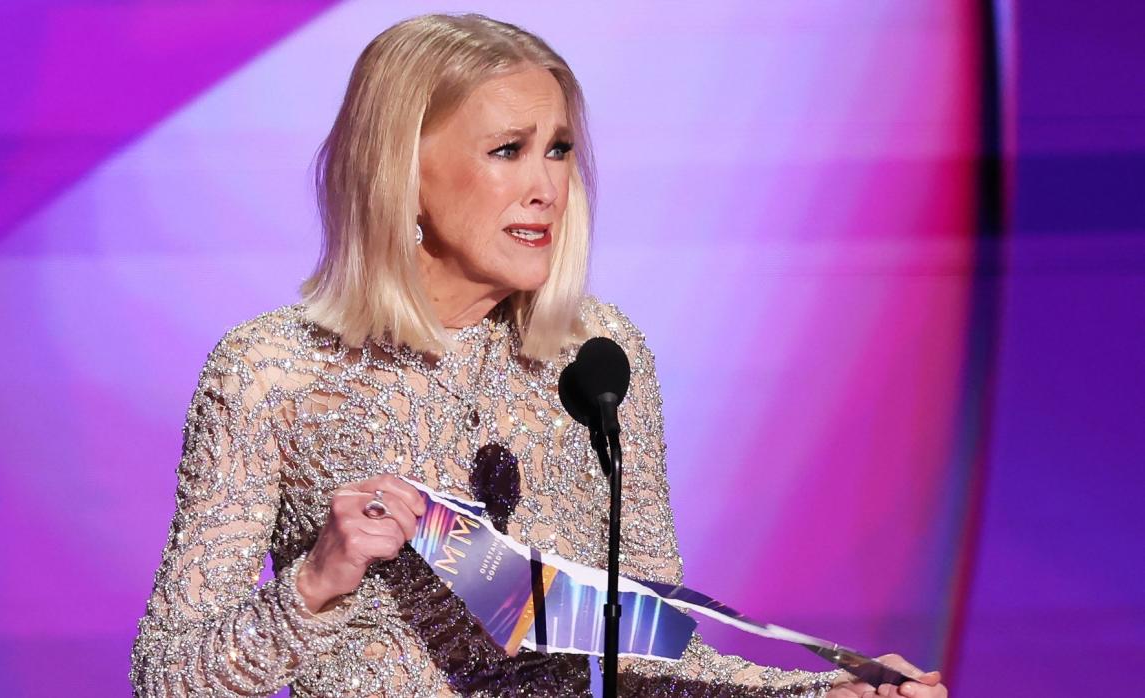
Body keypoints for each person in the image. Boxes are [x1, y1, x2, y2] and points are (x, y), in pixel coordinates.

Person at [130, 13, 948, 698]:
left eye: (558, 150)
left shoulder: (596, 358)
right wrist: (314, 583)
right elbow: (165, 677)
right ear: (403, 173)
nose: (547, 187)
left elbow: (646, 655)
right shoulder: (271, 371)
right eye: (507, 149)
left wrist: (823, 693)